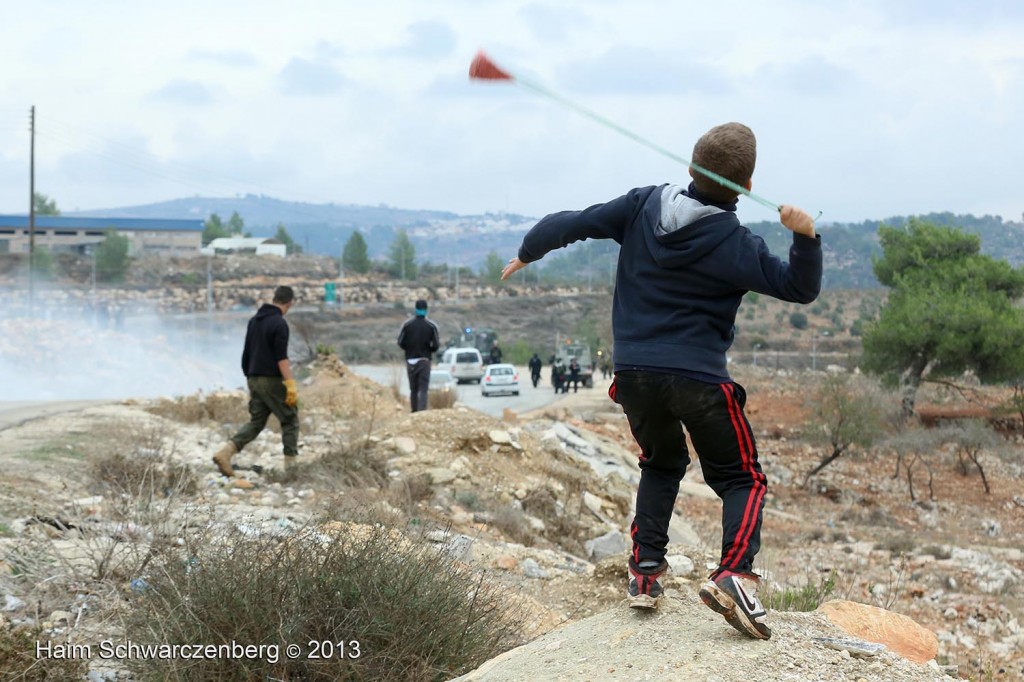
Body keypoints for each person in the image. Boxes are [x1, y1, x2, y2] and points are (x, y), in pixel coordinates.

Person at [501, 122, 821, 640]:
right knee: (742, 480)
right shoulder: (739, 243)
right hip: (699, 378)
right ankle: (734, 573)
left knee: (663, 461)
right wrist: (805, 238)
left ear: (691, 165)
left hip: (633, 375)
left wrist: (528, 252)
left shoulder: (642, 204)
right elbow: (798, 288)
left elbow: (573, 223)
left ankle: (645, 574)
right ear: (745, 187)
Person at [212, 285, 300, 477]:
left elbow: (246, 353)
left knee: (257, 422)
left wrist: (250, 378)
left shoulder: (254, 321)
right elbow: (281, 358)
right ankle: (292, 471)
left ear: (274, 298)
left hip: (253, 378)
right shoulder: (279, 324)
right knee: (290, 419)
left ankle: (225, 453)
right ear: (290, 303)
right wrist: (290, 385)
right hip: (272, 380)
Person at [397, 299, 440, 412]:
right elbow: (436, 345)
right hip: (424, 360)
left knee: (413, 389)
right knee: (423, 389)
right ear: (426, 310)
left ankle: (414, 411)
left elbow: (400, 342)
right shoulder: (431, 326)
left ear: (415, 309)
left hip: (410, 360)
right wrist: (429, 350)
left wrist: (409, 349)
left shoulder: (407, 325)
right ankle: (422, 411)